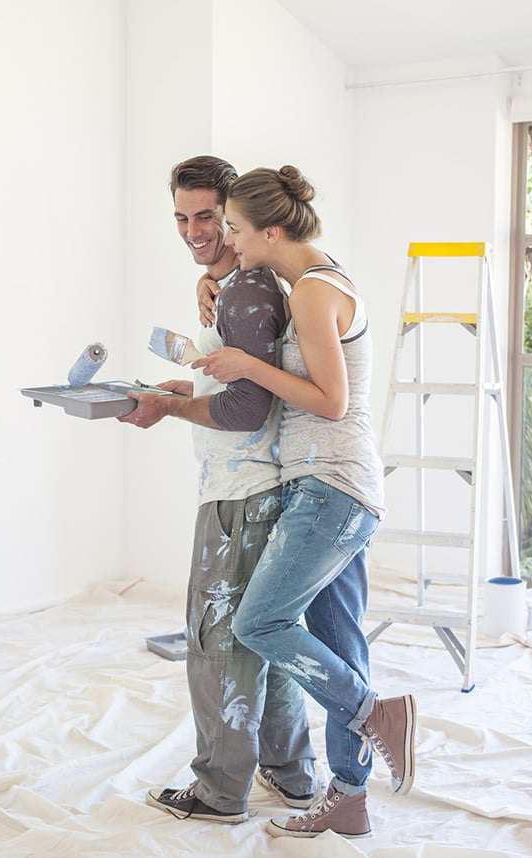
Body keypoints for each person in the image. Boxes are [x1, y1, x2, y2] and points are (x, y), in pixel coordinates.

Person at [193, 165, 417, 839]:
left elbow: (331, 400)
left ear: (272, 230)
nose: (227, 240)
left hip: (332, 489)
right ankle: (350, 796)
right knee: (341, 640)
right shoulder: (318, 279)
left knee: (258, 624)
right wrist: (206, 281)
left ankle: (376, 711)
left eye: (233, 228)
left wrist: (248, 366)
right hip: (332, 488)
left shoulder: (314, 293)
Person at [118, 155, 317, 824]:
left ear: (236, 215)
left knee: (217, 646)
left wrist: (171, 408)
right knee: (266, 639)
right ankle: (291, 777)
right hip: (259, 491)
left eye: (208, 216)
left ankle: (219, 791)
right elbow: (232, 385)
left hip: (239, 496)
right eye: (182, 217)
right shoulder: (240, 284)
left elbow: (246, 410)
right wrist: (171, 390)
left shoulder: (244, 290)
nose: (194, 230)